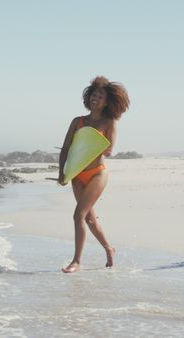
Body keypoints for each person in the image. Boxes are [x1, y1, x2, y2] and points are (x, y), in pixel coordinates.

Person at [57, 76, 130, 273]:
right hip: (77, 174)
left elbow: (108, 149)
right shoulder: (77, 121)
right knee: (89, 219)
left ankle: (76, 262)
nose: (95, 99)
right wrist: (62, 172)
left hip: (97, 174)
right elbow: (65, 149)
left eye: (100, 96)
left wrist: (92, 143)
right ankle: (109, 248)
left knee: (78, 215)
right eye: (93, 95)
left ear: (107, 102)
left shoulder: (110, 123)